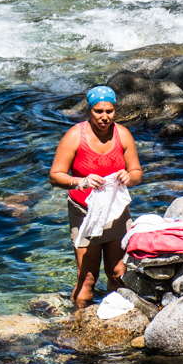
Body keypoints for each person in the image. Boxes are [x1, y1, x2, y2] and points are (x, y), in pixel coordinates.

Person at [49, 85, 143, 307]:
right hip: (84, 211)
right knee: (87, 280)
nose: (104, 117)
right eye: (98, 111)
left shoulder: (122, 134)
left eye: (109, 111)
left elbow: (137, 173)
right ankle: (79, 326)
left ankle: (116, 319)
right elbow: (55, 176)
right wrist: (81, 181)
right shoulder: (75, 135)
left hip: (116, 212)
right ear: (89, 110)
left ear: (115, 110)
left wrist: (127, 177)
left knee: (118, 273)